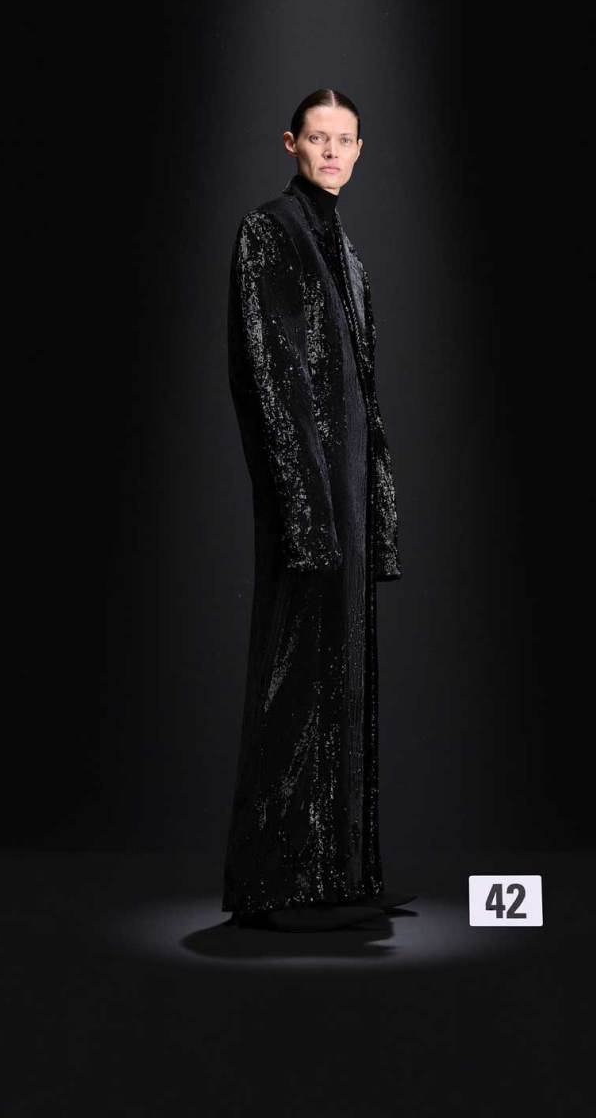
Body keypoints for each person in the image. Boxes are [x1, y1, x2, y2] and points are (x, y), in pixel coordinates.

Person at [222, 88, 414, 932]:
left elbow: (361, 393)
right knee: (294, 685)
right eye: (318, 138)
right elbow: (268, 371)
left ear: (360, 150)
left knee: (345, 685)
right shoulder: (269, 231)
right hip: (308, 499)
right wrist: (306, 510)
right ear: (290, 144)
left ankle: (339, 876)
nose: (332, 152)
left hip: (346, 496)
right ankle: (272, 886)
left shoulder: (349, 252)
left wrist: (369, 505)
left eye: (345, 140)